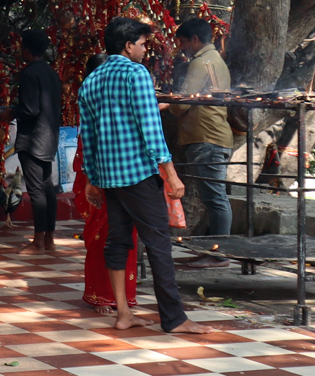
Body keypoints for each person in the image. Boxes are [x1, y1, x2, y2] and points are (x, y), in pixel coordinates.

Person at [80, 17, 218, 334]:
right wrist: (171, 174)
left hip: (109, 177)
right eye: (142, 44)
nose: (145, 50)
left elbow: (88, 136)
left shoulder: (91, 80)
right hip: (138, 175)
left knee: (117, 243)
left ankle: (124, 314)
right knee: (158, 245)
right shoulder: (135, 73)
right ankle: (174, 318)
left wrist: (91, 178)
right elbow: (151, 128)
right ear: (128, 46)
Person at [72, 59, 136, 312]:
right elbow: (87, 147)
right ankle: (101, 295)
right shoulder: (92, 100)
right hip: (100, 179)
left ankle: (124, 299)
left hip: (125, 178)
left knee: (126, 237)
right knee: (102, 237)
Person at [169, 18, 233, 239]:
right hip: (213, 135)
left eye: (184, 43)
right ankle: (217, 250)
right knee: (215, 198)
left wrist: (169, 104)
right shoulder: (216, 60)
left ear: (195, 40)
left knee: (216, 199)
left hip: (206, 137)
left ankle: (218, 253)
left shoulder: (200, 62)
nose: (183, 49)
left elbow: (184, 103)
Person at [12, 29, 64, 254]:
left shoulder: (29, 73)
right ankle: (49, 239)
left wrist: (9, 112)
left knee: (36, 191)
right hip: (49, 136)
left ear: (26, 50)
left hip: (32, 139)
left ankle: (38, 242)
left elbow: (29, 110)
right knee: (47, 188)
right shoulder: (52, 73)